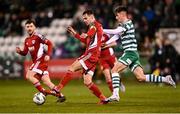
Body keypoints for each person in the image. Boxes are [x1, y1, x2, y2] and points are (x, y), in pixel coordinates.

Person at [103, 6, 176, 102]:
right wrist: (106, 44)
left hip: (130, 53)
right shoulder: (122, 26)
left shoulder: (128, 23)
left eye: (117, 16)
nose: (116, 18)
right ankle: (166, 79)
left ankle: (115, 95)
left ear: (122, 14)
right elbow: (116, 36)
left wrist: (101, 30)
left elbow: (115, 32)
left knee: (114, 70)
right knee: (141, 77)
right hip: (133, 54)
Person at [56, 10, 107, 104]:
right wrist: (75, 33)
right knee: (87, 81)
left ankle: (58, 89)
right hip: (94, 56)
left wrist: (87, 34)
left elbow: (92, 31)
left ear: (92, 17)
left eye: (86, 18)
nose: (84, 20)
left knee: (71, 68)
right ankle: (103, 98)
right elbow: (85, 41)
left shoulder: (95, 25)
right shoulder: (94, 27)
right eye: (83, 19)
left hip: (90, 55)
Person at [16, 19, 65, 102]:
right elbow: (25, 53)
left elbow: (50, 43)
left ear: (35, 27)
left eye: (31, 26)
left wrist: (48, 55)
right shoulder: (27, 40)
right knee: (47, 81)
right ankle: (61, 95)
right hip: (37, 62)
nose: (29, 28)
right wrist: (20, 52)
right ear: (25, 28)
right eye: (27, 27)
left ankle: (43, 92)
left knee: (29, 76)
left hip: (41, 60)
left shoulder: (38, 36)